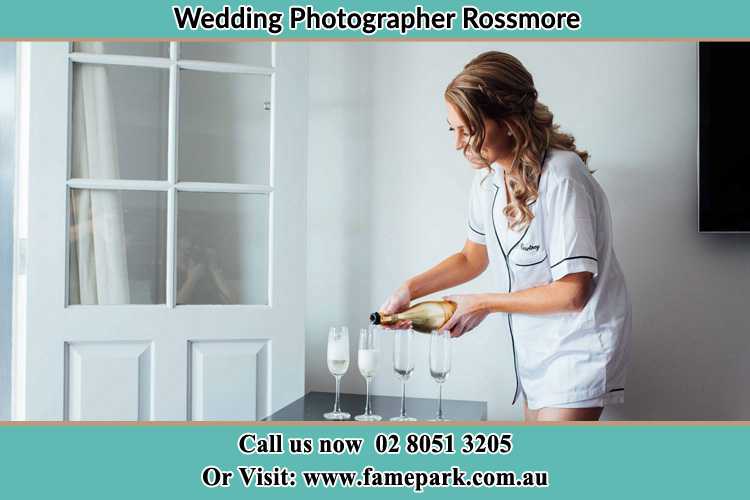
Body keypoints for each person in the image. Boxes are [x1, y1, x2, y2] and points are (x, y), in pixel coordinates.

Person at [379, 51, 631, 422]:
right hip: (533, 351)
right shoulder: (488, 180)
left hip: (577, 347)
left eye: (470, 129)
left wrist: (481, 303)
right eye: (453, 129)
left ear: (508, 122)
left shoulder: (562, 175)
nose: (458, 143)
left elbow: (573, 293)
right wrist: (409, 290)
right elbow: (471, 258)